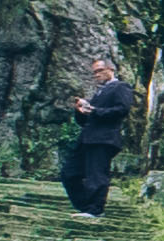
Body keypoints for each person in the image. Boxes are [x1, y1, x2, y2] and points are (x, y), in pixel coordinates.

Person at [58, 57, 137, 215]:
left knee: (97, 174)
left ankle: (95, 209)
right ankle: (86, 207)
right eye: (94, 72)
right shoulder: (99, 92)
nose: (97, 75)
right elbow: (85, 120)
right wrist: (80, 110)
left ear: (111, 70)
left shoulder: (121, 87)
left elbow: (122, 109)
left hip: (104, 138)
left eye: (100, 71)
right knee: (69, 173)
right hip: (87, 138)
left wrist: (95, 111)